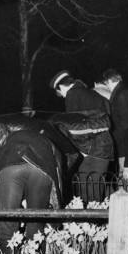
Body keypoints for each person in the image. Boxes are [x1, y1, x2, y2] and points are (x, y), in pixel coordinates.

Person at [0, 120, 63, 250]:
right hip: (43, 165)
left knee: (7, 224)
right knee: (36, 225)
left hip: (14, 162)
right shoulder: (34, 131)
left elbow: (6, 151)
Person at [50, 70, 114, 201]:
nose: (62, 96)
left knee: (88, 195)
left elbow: (74, 126)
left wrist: (80, 151)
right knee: (97, 191)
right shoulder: (92, 94)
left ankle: (92, 221)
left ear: (61, 87)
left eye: (60, 93)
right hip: (104, 149)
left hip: (90, 151)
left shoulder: (72, 95)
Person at [101, 68, 128, 173]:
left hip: (124, 143)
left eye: (106, 83)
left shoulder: (121, 94)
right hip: (125, 141)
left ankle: (127, 190)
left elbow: (125, 123)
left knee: (126, 173)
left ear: (109, 81)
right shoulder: (123, 91)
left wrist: (115, 138)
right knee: (126, 174)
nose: (107, 86)